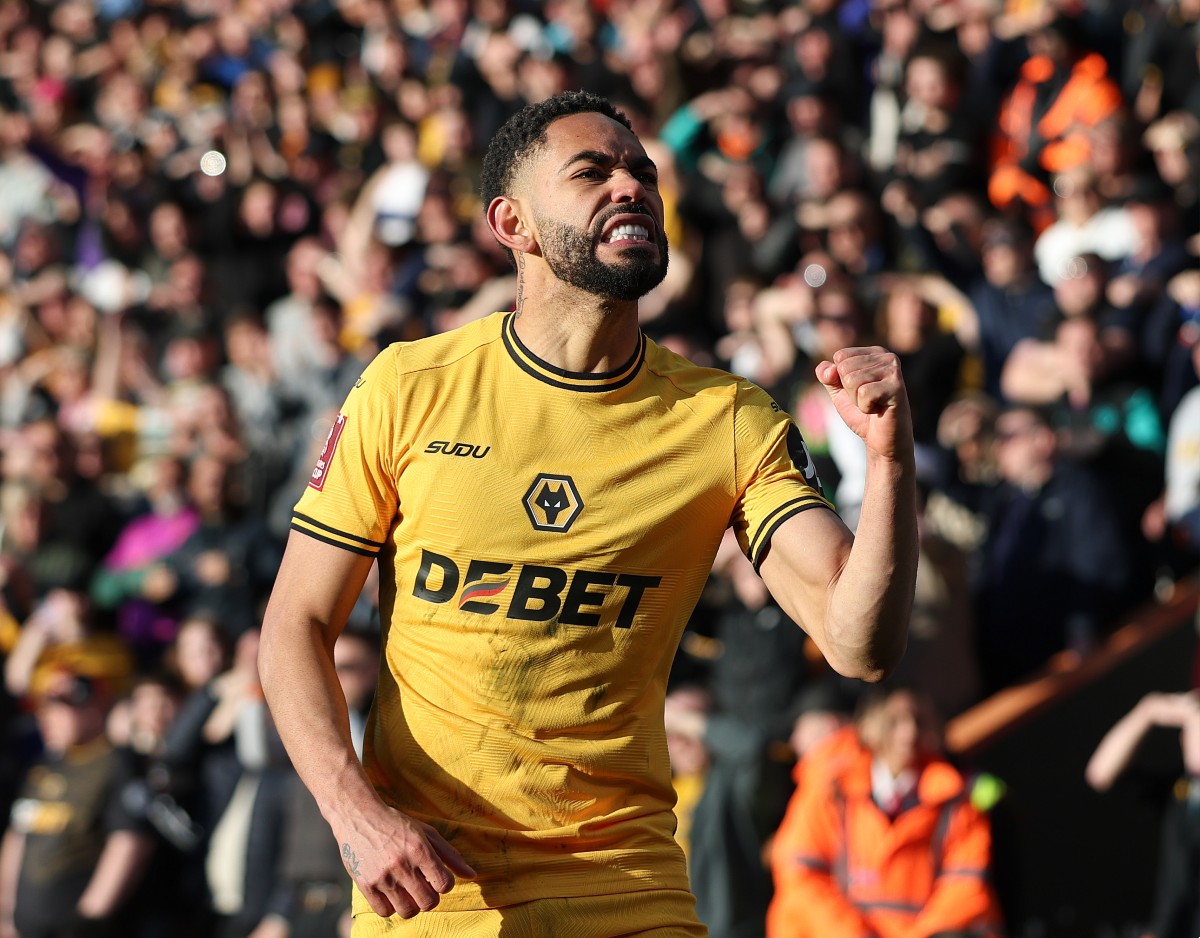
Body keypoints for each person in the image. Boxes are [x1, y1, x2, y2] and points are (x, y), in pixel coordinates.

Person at [259, 90, 918, 938]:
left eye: (642, 172)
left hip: (629, 891)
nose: (632, 186)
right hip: (437, 894)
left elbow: (860, 641)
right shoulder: (407, 387)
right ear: (513, 223)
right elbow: (293, 626)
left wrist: (889, 461)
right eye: (592, 171)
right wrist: (356, 818)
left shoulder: (728, 419)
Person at [766, 685, 1003, 938]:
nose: (909, 732)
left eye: (918, 720)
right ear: (868, 726)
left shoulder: (957, 798)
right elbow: (800, 877)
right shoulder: (829, 788)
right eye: (894, 721)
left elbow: (965, 888)